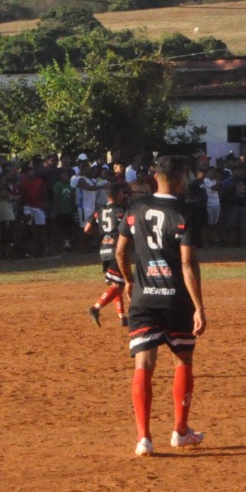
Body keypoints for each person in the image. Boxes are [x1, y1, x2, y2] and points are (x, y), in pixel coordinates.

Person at [115, 154, 207, 456]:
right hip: (176, 299)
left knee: (144, 365)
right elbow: (187, 264)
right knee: (183, 360)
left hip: (143, 299)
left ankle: (144, 438)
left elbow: (120, 251)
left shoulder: (136, 208)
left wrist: (129, 280)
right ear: (180, 179)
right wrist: (199, 307)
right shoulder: (186, 212)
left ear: (156, 178)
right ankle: (180, 431)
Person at [86, 182, 130, 325]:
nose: (124, 195)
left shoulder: (100, 209)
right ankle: (96, 307)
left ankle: (122, 317)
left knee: (115, 283)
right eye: (122, 192)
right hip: (116, 249)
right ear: (118, 194)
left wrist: (101, 234)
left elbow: (87, 228)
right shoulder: (122, 210)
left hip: (104, 248)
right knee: (118, 285)